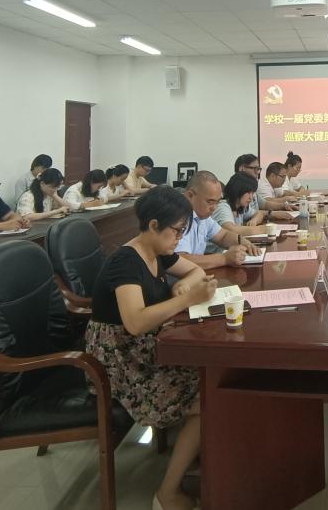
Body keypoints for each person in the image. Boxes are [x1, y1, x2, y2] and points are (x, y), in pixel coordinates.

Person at [84, 185, 216, 510]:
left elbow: (195, 269)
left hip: (144, 347)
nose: (180, 239)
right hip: (120, 361)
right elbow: (135, 322)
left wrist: (184, 284)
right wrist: (186, 298)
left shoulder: (158, 251)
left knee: (212, 374)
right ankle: (167, 494)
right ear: (154, 225)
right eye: (177, 231)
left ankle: (197, 454)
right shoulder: (126, 262)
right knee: (207, 398)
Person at [176, 171, 260, 270]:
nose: (214, 208)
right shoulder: (177, 216)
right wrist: (224, 258)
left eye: (217, 202)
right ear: (190, 195)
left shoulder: (202, 216)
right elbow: (180, 260)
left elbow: (223, 236)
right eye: (210, 202)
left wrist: (243, 242)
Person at [207, 173, 269, 253]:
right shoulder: (223, 206)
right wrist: (263, 229)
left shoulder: (240, 207)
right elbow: (231, 230)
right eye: (248, 193)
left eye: (252, 193)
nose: (251, 197)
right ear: (237, 190)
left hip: (229, 250)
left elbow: (259, 213)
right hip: (213, 254)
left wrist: (254, 220)